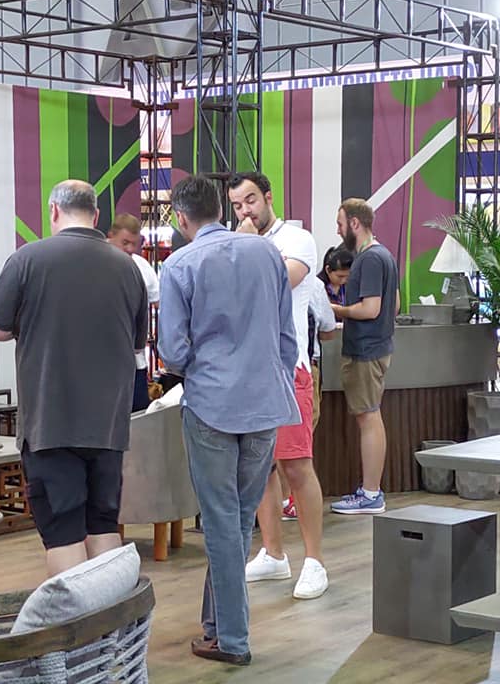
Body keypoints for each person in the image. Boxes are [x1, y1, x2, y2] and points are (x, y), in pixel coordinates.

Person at [158, 175, 300, 666]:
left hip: (212, 404)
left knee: (222, 520)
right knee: (237, 520)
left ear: (181, 218)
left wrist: (204, 367)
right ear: (222, 209)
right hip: (265, 403)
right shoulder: (267, 254)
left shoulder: (178, 265)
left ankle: (233, 639)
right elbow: (287, 338)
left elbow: (173, 351)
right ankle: (217, 624)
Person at [0, 180, 147, 576]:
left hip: (50, 424)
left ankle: (75, 618)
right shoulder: (128, 267)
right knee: (103, 526)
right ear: (97, 215)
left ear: (53, 210)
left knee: (63, 534)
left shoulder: (28, 259)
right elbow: (137, 341)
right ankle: (112, 614)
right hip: (108, 426)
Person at [229, 172, 328, 600]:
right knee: (259, 468)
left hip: (289, 369)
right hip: (250, 371)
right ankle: (272, 554)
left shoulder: (297, 239)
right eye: (237, 205)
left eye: (250, 200)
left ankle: (315, 561)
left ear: (268, 197)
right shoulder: (241, 241)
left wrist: (247, 246)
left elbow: (274, 284)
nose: (245, 211)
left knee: (296, 466)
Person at [330, 197, 400, 515]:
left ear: (355, 223)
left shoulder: (369, 259)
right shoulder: (385, 255)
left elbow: (371, 309)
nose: (338, 230)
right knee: (370, 415)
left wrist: (335, 309)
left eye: (340, 223)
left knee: (368, 417)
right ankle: (370, 491)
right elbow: (393, 305)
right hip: (378, 347)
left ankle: (371, 493)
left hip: (365, 349)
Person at [282, 279, 336, 521]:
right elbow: (328, 330)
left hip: (269, 369)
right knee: (299, 444)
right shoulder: (313, 285)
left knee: (273, 444)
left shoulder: (257, 275)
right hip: (303, 365)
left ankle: (285, 500)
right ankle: (289, 500)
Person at [107, 213, 160, 412]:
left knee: (138, 420)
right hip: (101, 364)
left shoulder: (142, 267)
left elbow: (160, 305)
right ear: (111, 236)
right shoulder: (93, 264)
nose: (130, 249)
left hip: (135, 363)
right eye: (125, 243)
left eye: (134, 244)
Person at [319, 245, 355, 317]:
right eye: (340, 276)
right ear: (328, 270)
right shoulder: (318, 287)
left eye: (347, 276)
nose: (344, 280)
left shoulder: (350, 285)